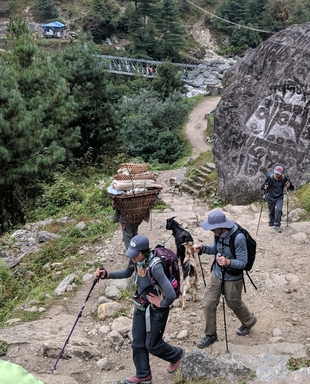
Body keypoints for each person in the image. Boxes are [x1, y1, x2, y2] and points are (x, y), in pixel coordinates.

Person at [95, 235, 183, 384]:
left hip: (157, 309)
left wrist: (161, 303)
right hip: (141, 305)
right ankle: (143, 375)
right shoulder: (136, 259)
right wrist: (107, 275)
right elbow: (126, 273)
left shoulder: (155, 267)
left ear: (144, 252)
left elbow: (171, 293)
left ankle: (176, 355)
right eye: (131, 254)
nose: (132, 257)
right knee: (137, 342)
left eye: (135, 254)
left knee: (152, 345)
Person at [194, 209, 257, 349]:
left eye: (213, 228)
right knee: (208, 303)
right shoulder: (218, 233)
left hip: (233, 277)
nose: (211, 231)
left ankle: (249, 321)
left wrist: (228, 262)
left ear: (222, 225)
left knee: (233, 303)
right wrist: (203, 248)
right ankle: (210, 335)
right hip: (217, 273)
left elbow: (243, 263)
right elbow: (215, 249)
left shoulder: (238, 237)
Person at [262, 165, 294, 233]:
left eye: (278, 173)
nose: (276, 174)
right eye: (275, 173)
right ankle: (271, 221)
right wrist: (265, 187)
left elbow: (291, 188)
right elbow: (263, 187)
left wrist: (289, 185)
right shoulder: (269, 177)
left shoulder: (284, 178)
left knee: (278, 210)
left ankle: (277, 225)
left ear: (281, 174)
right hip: (270, 196)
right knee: (271, 211)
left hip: (279, 197)